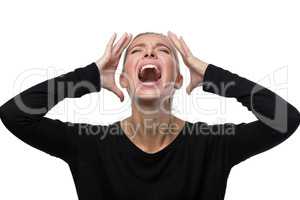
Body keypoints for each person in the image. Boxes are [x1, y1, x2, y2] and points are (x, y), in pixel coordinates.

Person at [0, 31, 299, 200]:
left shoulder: (211, 145)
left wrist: (212, 76)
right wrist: (88, 77)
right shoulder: (89, 146)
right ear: (124, 79)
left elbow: (285, 118)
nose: (150, 54)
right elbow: (14, 114)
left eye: (163, 51)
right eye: (137, 51)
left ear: (179, 80)